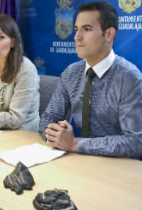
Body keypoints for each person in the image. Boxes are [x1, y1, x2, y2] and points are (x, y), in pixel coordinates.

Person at [39, 1, 142, 159]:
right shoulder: (71, 72)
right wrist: (55, 134)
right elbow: (48, 117)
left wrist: (75, 144)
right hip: (79, 160)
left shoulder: (129, 77)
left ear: (109, 34)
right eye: (76, 29)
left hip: (118, 167)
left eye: (86, 29)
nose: (76, 37)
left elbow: (135, 142)